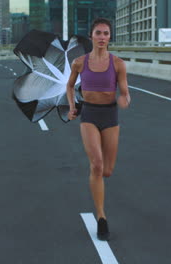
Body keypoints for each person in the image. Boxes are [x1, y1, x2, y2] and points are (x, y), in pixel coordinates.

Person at [66, 17, 131, 241]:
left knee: (107, 171)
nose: (102, 37)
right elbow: (69, 85)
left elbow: (124, 91)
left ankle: (100, 185)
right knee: (96, 164)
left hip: (110, 115)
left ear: (110, 37)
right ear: (91, 36)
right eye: (98, 33)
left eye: (106, 33)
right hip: (90, 114)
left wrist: (124, 98)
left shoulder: (118, 64)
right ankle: (101, 217)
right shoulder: (79, 63)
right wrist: (73, 106)